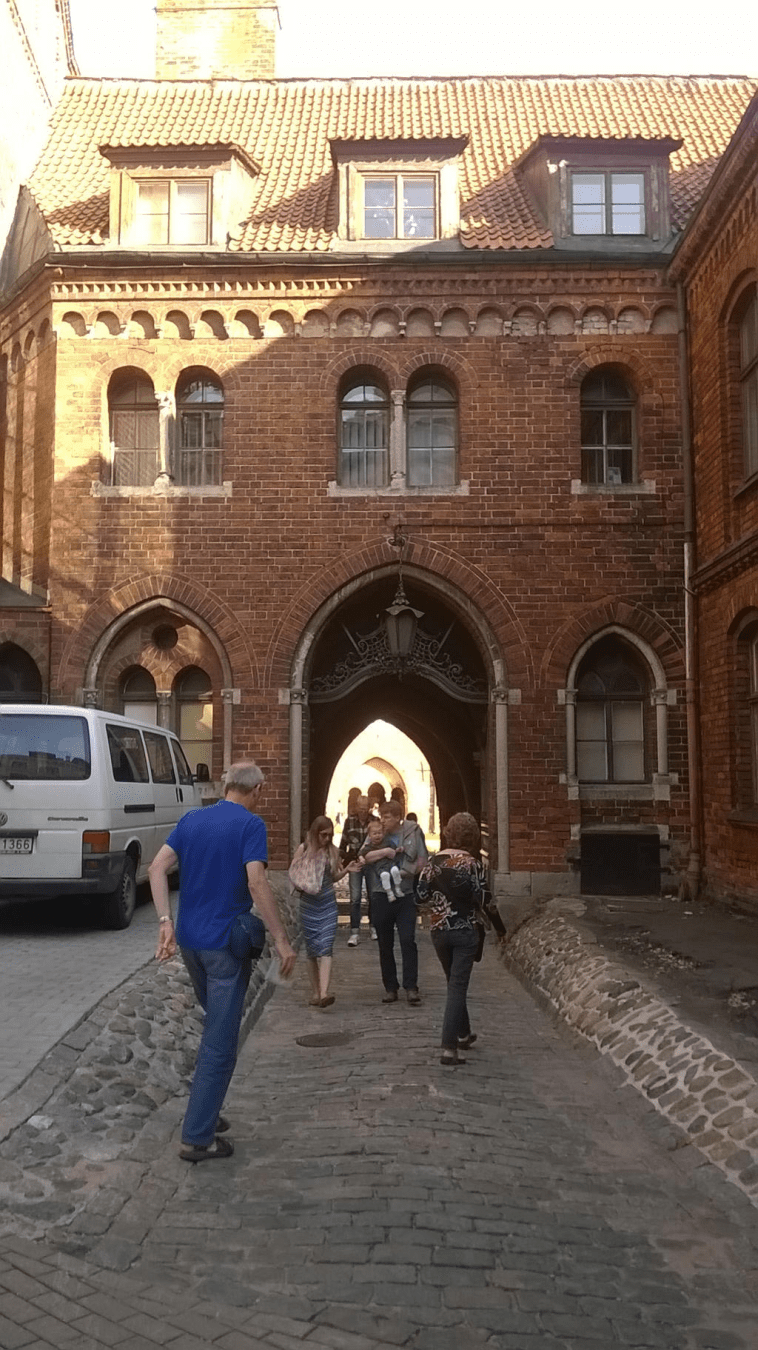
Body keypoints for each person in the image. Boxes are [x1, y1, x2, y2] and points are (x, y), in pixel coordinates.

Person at [149, 761, 297, 1162]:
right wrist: (282, 939)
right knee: (220, 1040)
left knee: (215, 1025)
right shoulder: (251, 826)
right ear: (258, 790)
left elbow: (156, 867)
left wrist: (165, 921)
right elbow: (256, 881)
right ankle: (198, 1136)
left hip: (191, 943)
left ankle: (207, 1113)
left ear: (226, 785)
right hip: (224, 947)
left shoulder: (193, 818)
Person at [416, 812, 487, 1067]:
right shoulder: (473, 864)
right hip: (465, 931)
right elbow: (483, 899)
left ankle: (463, 1033)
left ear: (448, 832)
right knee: (457, 986)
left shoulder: (433, 863)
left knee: (453, 982)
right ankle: (449, 1048)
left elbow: (420, 895)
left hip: (439, 932)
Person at [361, 799, 428, 1005]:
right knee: (385, 943)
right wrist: (385, 852)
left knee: (408, 939)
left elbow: (422, 859)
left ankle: (411, 986)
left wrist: (409, 872)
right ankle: (390, 987)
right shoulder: (376, 833)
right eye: (381, 816)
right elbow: (363, 856)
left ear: (398, 817)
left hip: (405, 894)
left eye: (387, 817)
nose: (383, 820)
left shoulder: (412, 832)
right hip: (381, 894)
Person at [291, 816, 360, 1008]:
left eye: (330, 835)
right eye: (323, 835)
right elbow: (294, 873)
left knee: (326, 947)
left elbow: (333, 876)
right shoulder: (303, 849)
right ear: (315, 833)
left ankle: (324, 993)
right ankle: (315, 992)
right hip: (308, 904)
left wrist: (346, 870)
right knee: (312, 950)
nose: (327, 839)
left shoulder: (332, 851)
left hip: (328, 903)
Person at [338, 794, 377, 945]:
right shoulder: (350, 822)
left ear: (369, 808)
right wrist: (342, 860)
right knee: (354, 898)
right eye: (360, 808)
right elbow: (343, 843)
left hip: (371, 863)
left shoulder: (374, 821)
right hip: (355, 863)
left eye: (365, 808)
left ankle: (373, 926)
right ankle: (354, 931)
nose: (362, 811)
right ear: (356, 808)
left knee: (373, 895)